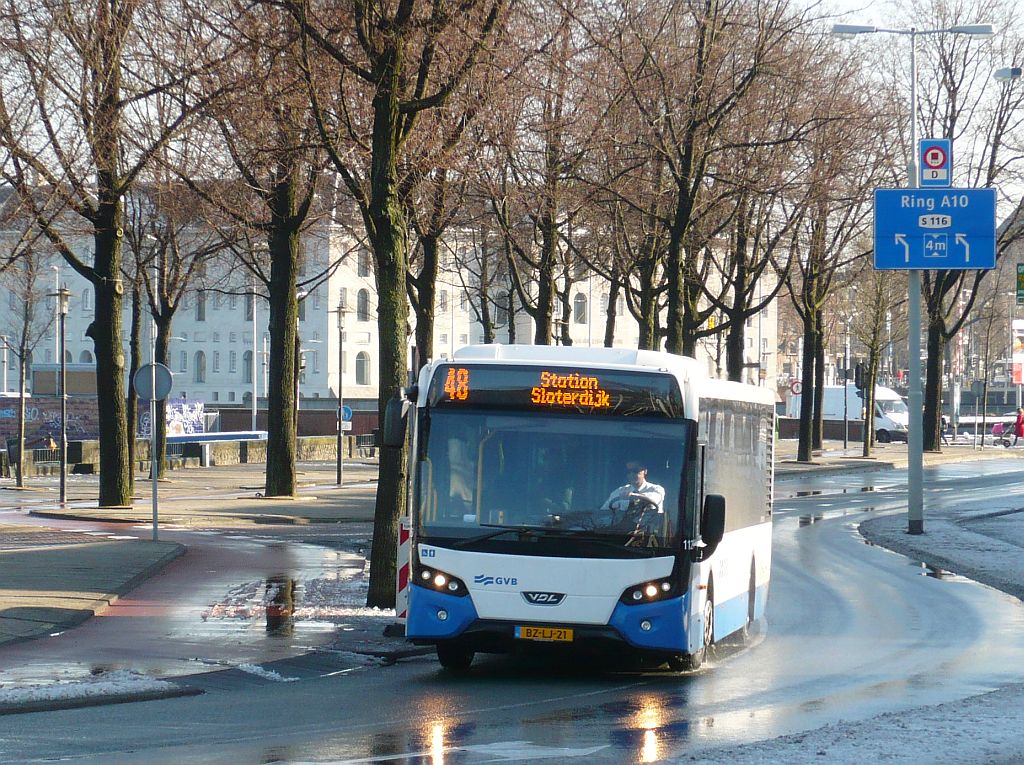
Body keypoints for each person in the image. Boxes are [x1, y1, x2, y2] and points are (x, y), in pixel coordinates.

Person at [601, 461, 665, 515]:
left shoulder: (657, 489)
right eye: (628, 472)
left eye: (635, 471)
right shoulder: (619, 491)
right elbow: (603, 512)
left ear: (645, 471)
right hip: (623, 529)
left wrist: (633, 496)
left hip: (649, 528)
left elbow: (652, 500)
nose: (631, 474)